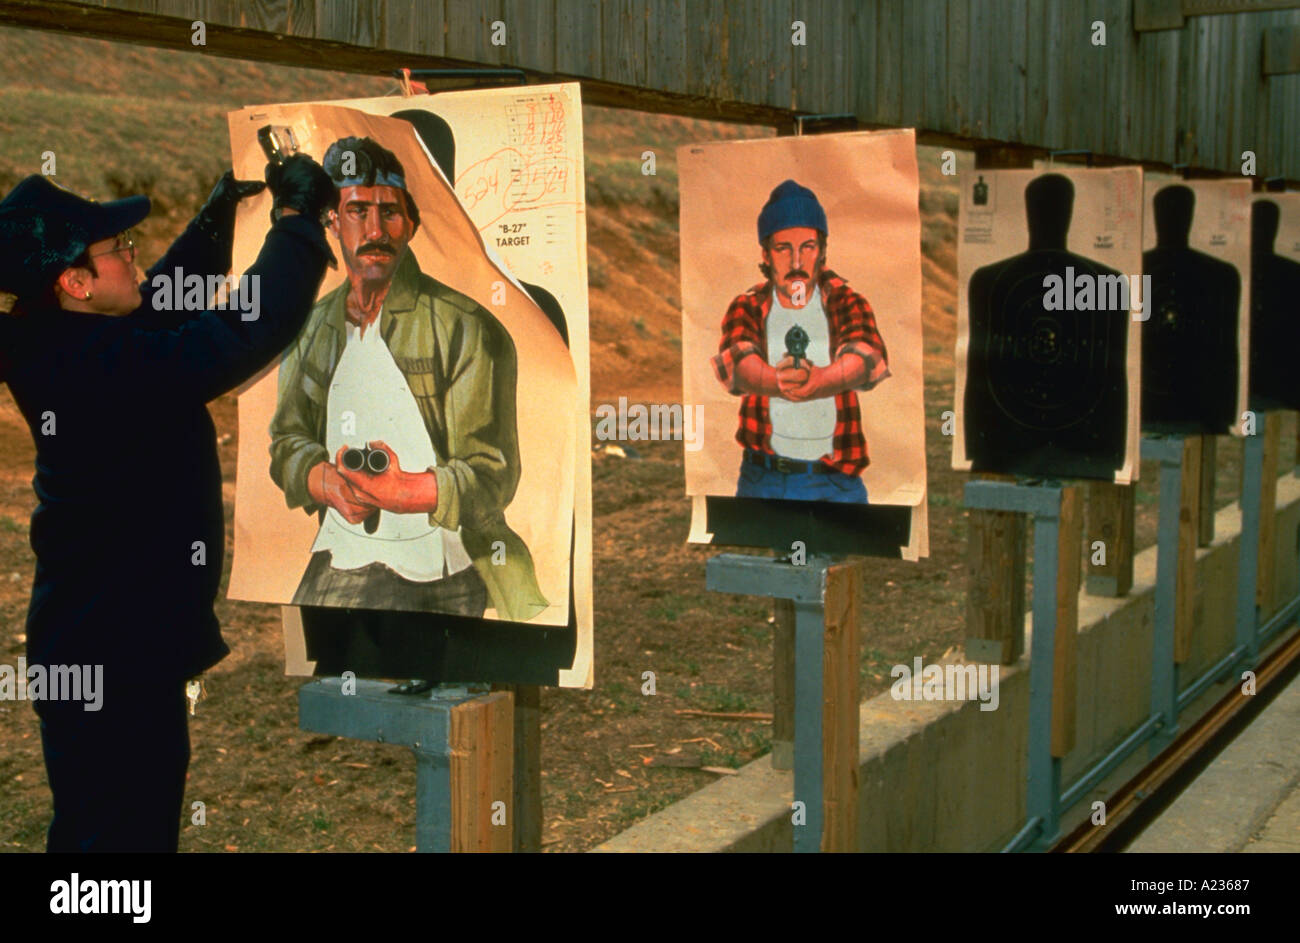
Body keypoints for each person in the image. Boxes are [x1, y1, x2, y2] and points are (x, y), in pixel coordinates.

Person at [0, 155, 338, 851]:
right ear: (75, 282)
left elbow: (158, 301)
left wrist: (217, 221)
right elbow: (244, 332)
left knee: (104, 836)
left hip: (108, 644)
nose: (133, 257)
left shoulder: (62, 336)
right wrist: (300, 224)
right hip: (114, 659)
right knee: (117, 845)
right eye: (117, 250)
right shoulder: (96, 368)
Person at [270, 136, 548, 623]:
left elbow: (493, 475)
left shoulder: (466, 327)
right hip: (340, 559)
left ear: (412, 224)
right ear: (331, 222)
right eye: (356, 210)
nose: (375, 229)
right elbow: (287, 441)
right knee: (332, 690)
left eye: (390, 212)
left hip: (442, 570)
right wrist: (326, 482)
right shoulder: (311, 327)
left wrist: (406, 492)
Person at [711, 179, 890, 504]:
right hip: (765, 480)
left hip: (836, 482)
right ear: (766, 253)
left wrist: (823, 380)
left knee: (847, 556)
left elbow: (868, 356)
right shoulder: (749, 306)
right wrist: (773, 380)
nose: (796, 262)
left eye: (807, 247)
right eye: (783, 249)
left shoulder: (845, 301)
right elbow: (736, 363)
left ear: (821, 250)